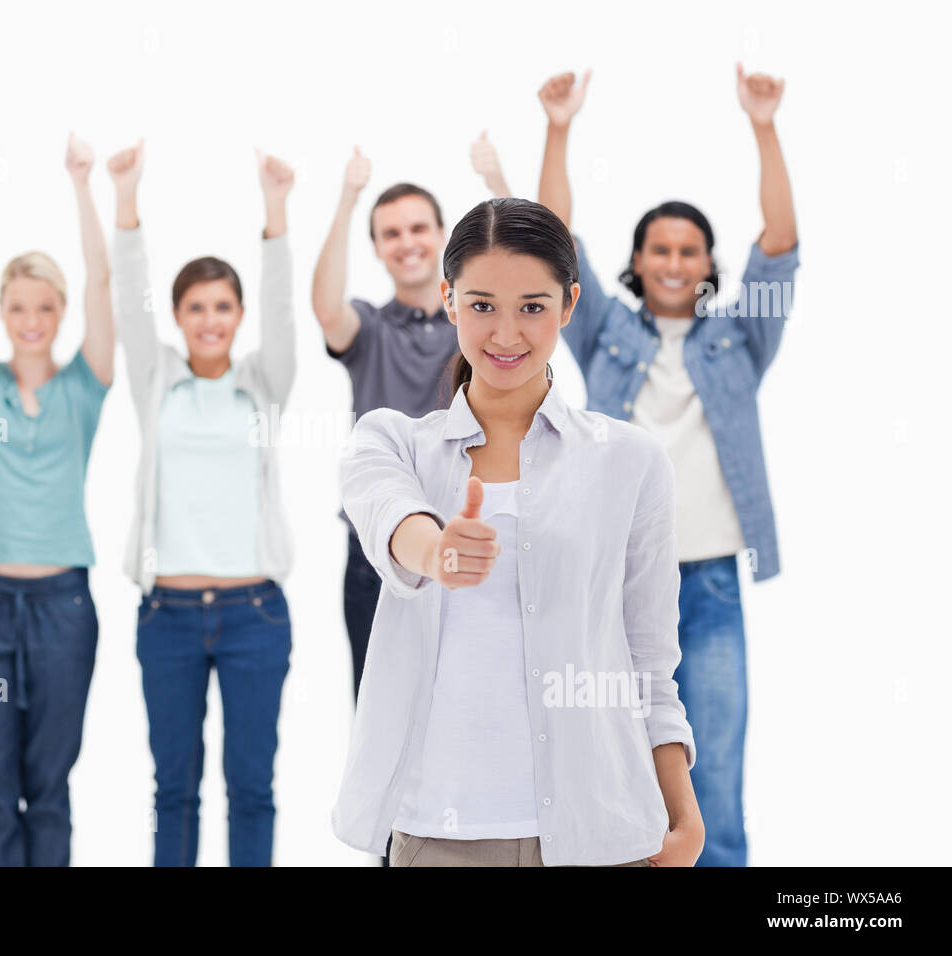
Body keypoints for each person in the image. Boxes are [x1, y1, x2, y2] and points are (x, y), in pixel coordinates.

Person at [332, 197, 703, 867]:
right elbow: (391, 516)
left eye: (532, 306)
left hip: (601, 833)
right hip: (439, 836)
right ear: (447, 300)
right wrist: (437, 550)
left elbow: (649, 659)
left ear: (569, 304)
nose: (505, 334)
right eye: (481, 306)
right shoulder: (390, 441)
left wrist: (683, 812)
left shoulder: (630, 460)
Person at [521, 66, 800, 866]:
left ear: (707, 261)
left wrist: (763, 124)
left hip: (708, 584)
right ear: (635, 262)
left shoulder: (739, 340)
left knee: (712, 791)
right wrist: (560, 127)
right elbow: (548, 237)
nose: (674, 262)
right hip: (608, 585)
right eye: (659, 249)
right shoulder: (601, 328)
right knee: (609, 783)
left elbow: (779, 248)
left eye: (689, 250)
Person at [109, 140, 296, 866]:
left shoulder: (264, 383)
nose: (210, 319)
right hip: (170, 618)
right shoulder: (155, 379)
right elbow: (130, 300)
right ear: (180, 316)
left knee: (252, 789)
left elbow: (283, 312)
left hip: (255, 614)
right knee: (173, 791)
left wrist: (275, 211)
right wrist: (125, 201)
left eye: (223, 306)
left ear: (238, 314)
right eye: (196, 307)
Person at [0, 130, 113, 866]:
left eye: (45, 306)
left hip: (63, 608)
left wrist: (83, 184)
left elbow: (105, 285)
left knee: (47, 790)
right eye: (17, 307)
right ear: (5, 314)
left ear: (61, 310)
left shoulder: (86, 385)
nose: (32, 320)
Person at [313, 149, 464, 702]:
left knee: (466, 716)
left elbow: (529, 285)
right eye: (391, 233)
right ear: (376, 248)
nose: (407, 242)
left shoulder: (475, 325)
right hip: (376, 553)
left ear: (443, 235)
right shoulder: (370, 329)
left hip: (464, 539)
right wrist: (349, 198)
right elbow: (327, 309)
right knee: (381, 719)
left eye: (419, 228)